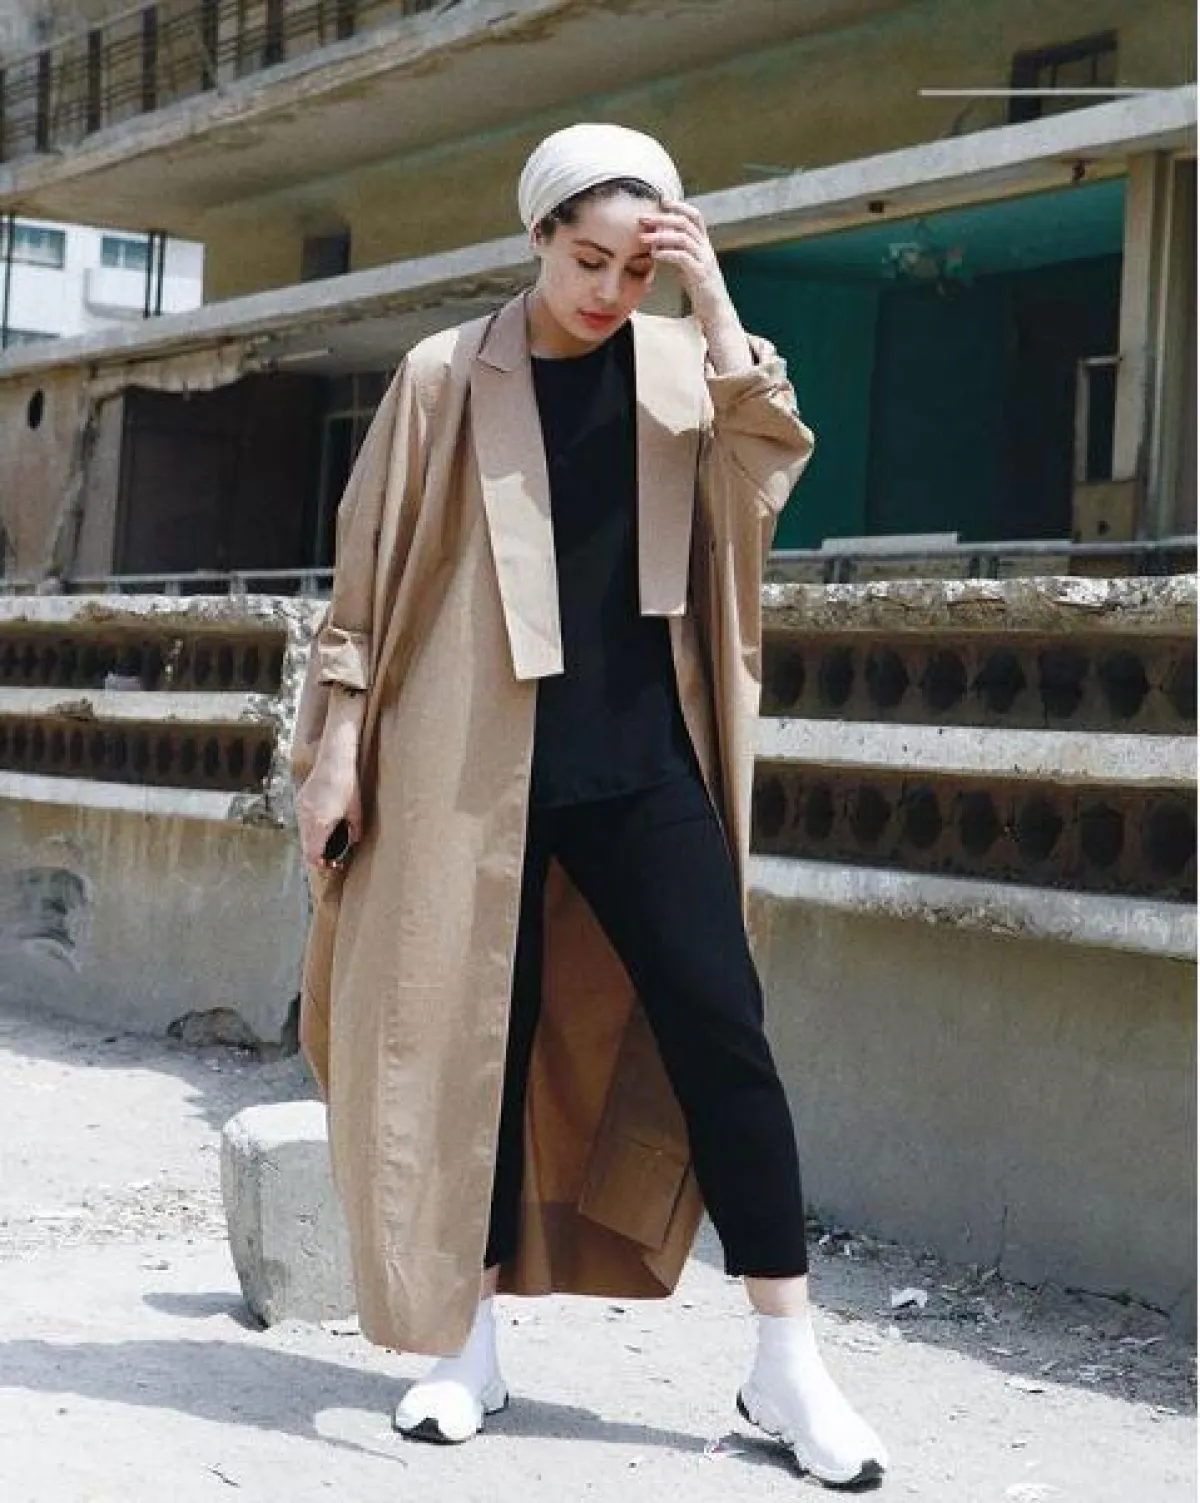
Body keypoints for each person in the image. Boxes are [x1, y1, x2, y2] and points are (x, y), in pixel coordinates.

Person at [292, 122, 888, 1489]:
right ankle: (468, 1341)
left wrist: (713, 294)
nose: (611, 290)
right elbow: (365, 580)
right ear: (538, 240)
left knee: (725, 1035)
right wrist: (336, 751)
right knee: (472, 1044)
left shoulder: (685, 367)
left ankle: (787, 1357)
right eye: (588, 260)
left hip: (644, 763)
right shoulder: (445, 374)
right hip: (465, 766)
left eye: (637, 266)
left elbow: (769, 461)